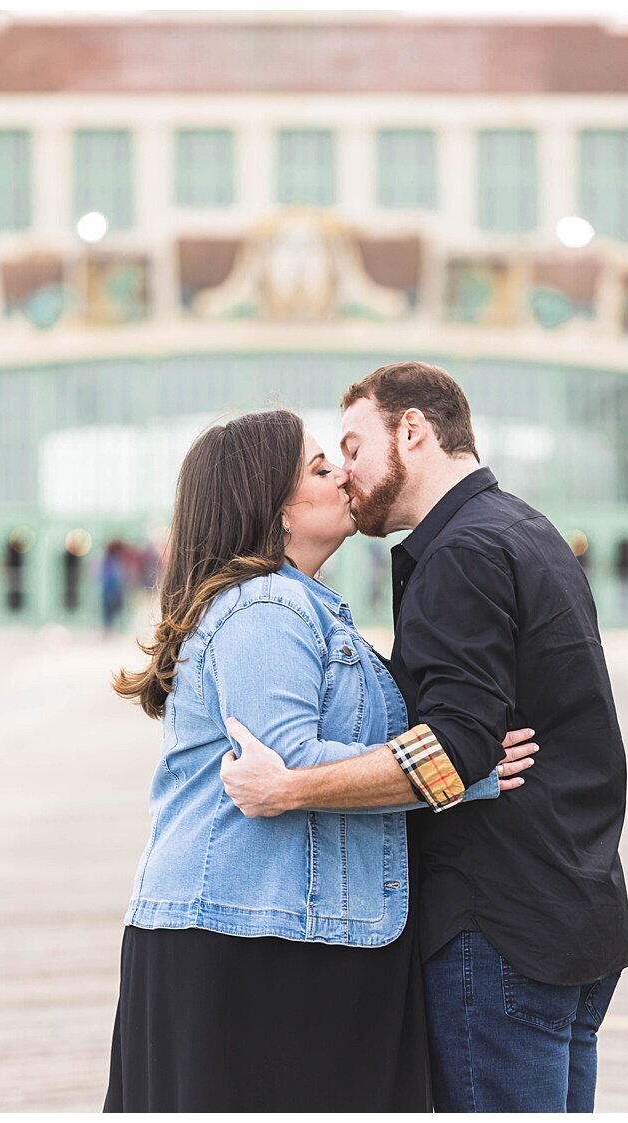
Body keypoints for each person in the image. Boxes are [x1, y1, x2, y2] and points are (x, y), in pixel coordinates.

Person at [220, 362, 628, 1112]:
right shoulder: (527, 531)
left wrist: (290, 785)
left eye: (352, 446)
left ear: (412, 430)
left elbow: (456, 751)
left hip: (496, 925)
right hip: (574, 909)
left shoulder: (461, 554)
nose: (344, 474)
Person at [104, 409, 536, 1112]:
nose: (343, 473)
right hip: (256, 942)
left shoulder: (300, 606)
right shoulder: (265, 606)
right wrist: (464, 767)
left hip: (272, 929)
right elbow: (290, 763)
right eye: (318, 467)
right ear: (271, 508)